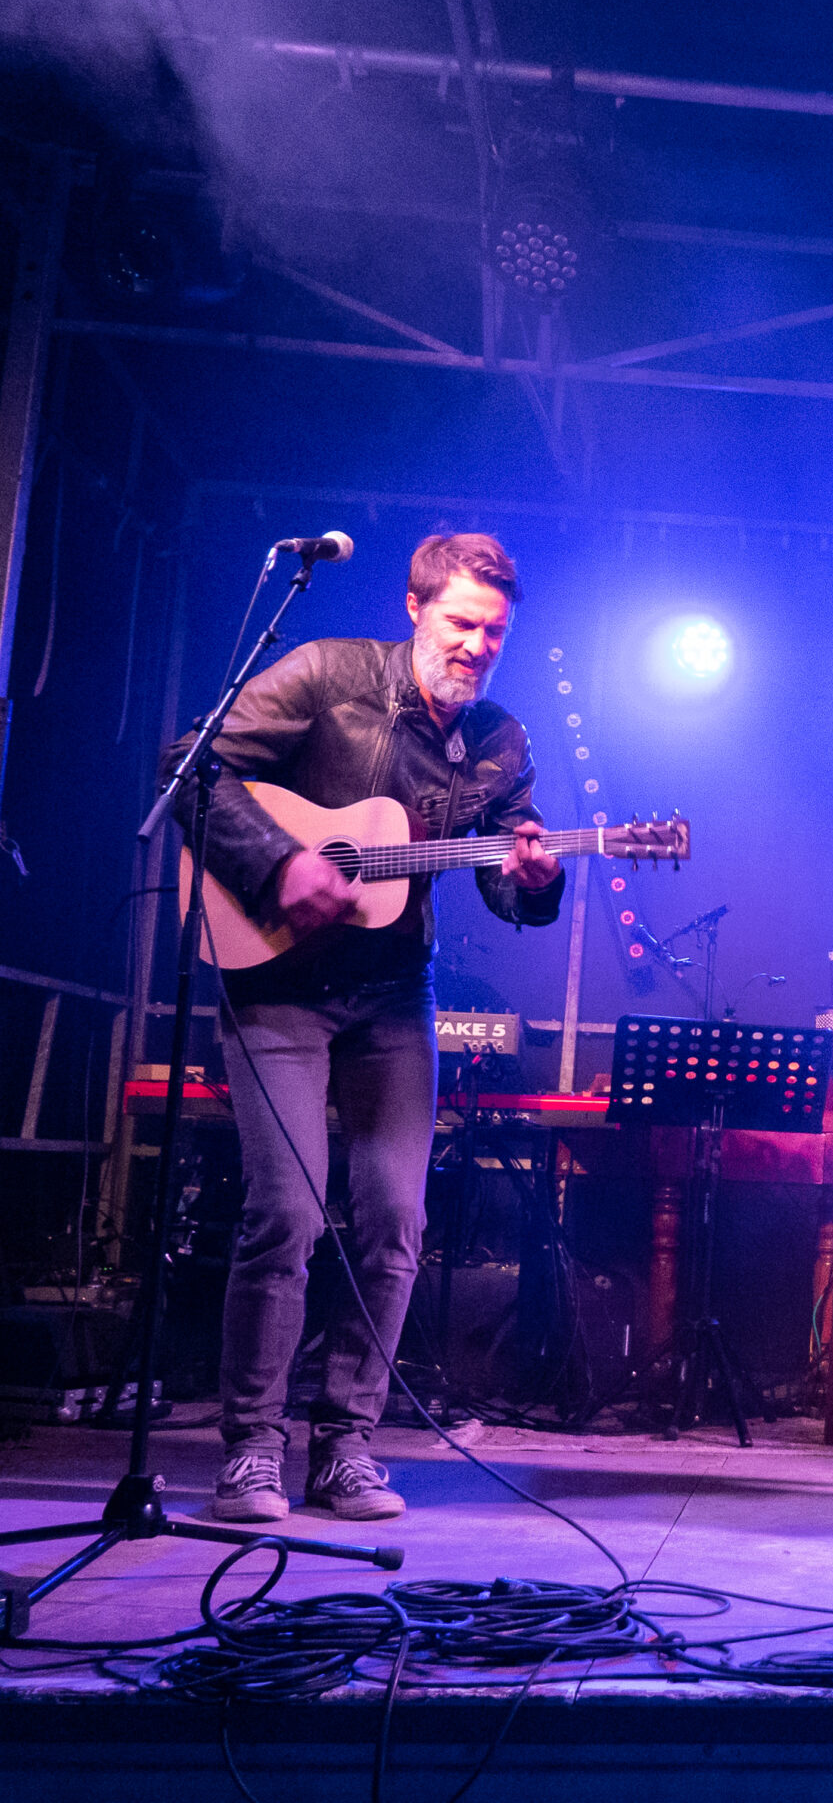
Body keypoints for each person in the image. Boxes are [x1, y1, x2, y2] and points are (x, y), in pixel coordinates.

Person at [172, 533, 563, 1523]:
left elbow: (503, 878)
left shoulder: (502, 745)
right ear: (416, 608)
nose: (476, 646)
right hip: (277, 985)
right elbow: (194, 766)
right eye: (461, 623)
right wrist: (277, 865)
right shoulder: (326, 675)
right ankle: (252, 1452)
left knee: (394, 1220)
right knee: (288, 1216)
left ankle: (344, 1449)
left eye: (494, 633)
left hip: (392, 992)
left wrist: (534, 884)